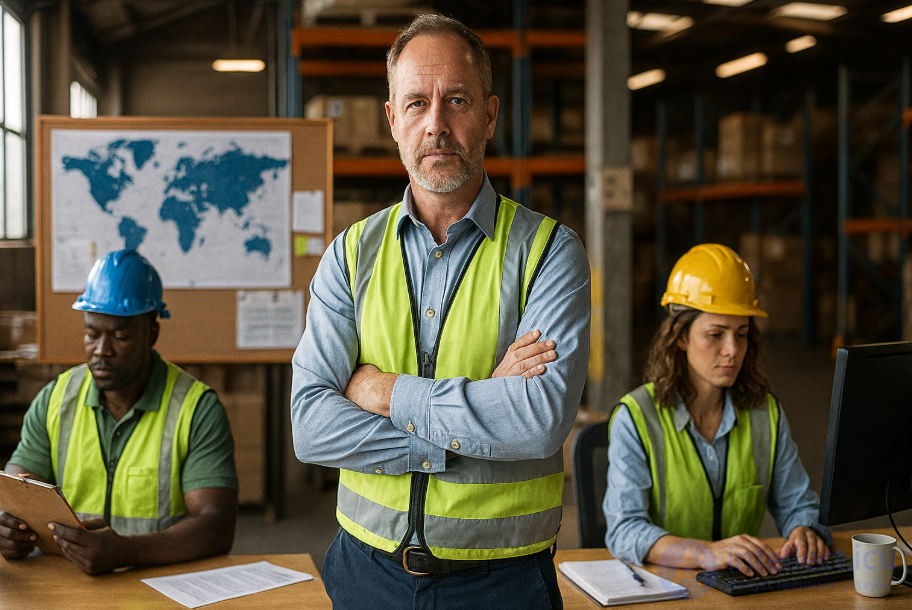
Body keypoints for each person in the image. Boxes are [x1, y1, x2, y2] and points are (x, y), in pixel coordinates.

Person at [290, 13, 590, 610]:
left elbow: (538, 421)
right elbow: (310, 425)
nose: (436, 124)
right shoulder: (350, 256)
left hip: (504, 584)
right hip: (364, 574)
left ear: (489, 115)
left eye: (456, 100)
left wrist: (384, 391)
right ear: (392, 119)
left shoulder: (549, 253)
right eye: (417, 103)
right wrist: (466, 422)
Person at [0, 249, 238, 575]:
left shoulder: (196, 409)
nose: (101, 350)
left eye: (120, 336)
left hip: (160, 582)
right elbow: (17, 489)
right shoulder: (56, 398)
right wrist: (9, 527)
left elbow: (217, 526)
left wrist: (127, 550)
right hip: (70, 581)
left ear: (151, 334)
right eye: (91, 333)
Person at [603, 243, 832, 578]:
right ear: (681, 337)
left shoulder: (764, 415)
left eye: (741, 334)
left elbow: (798, 505)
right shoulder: (636, 418)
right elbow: (624, 530)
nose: (732, 350)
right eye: (715, 334)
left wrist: (804, 531)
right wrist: (704, 552)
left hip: (740, 589)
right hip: (663, 592)